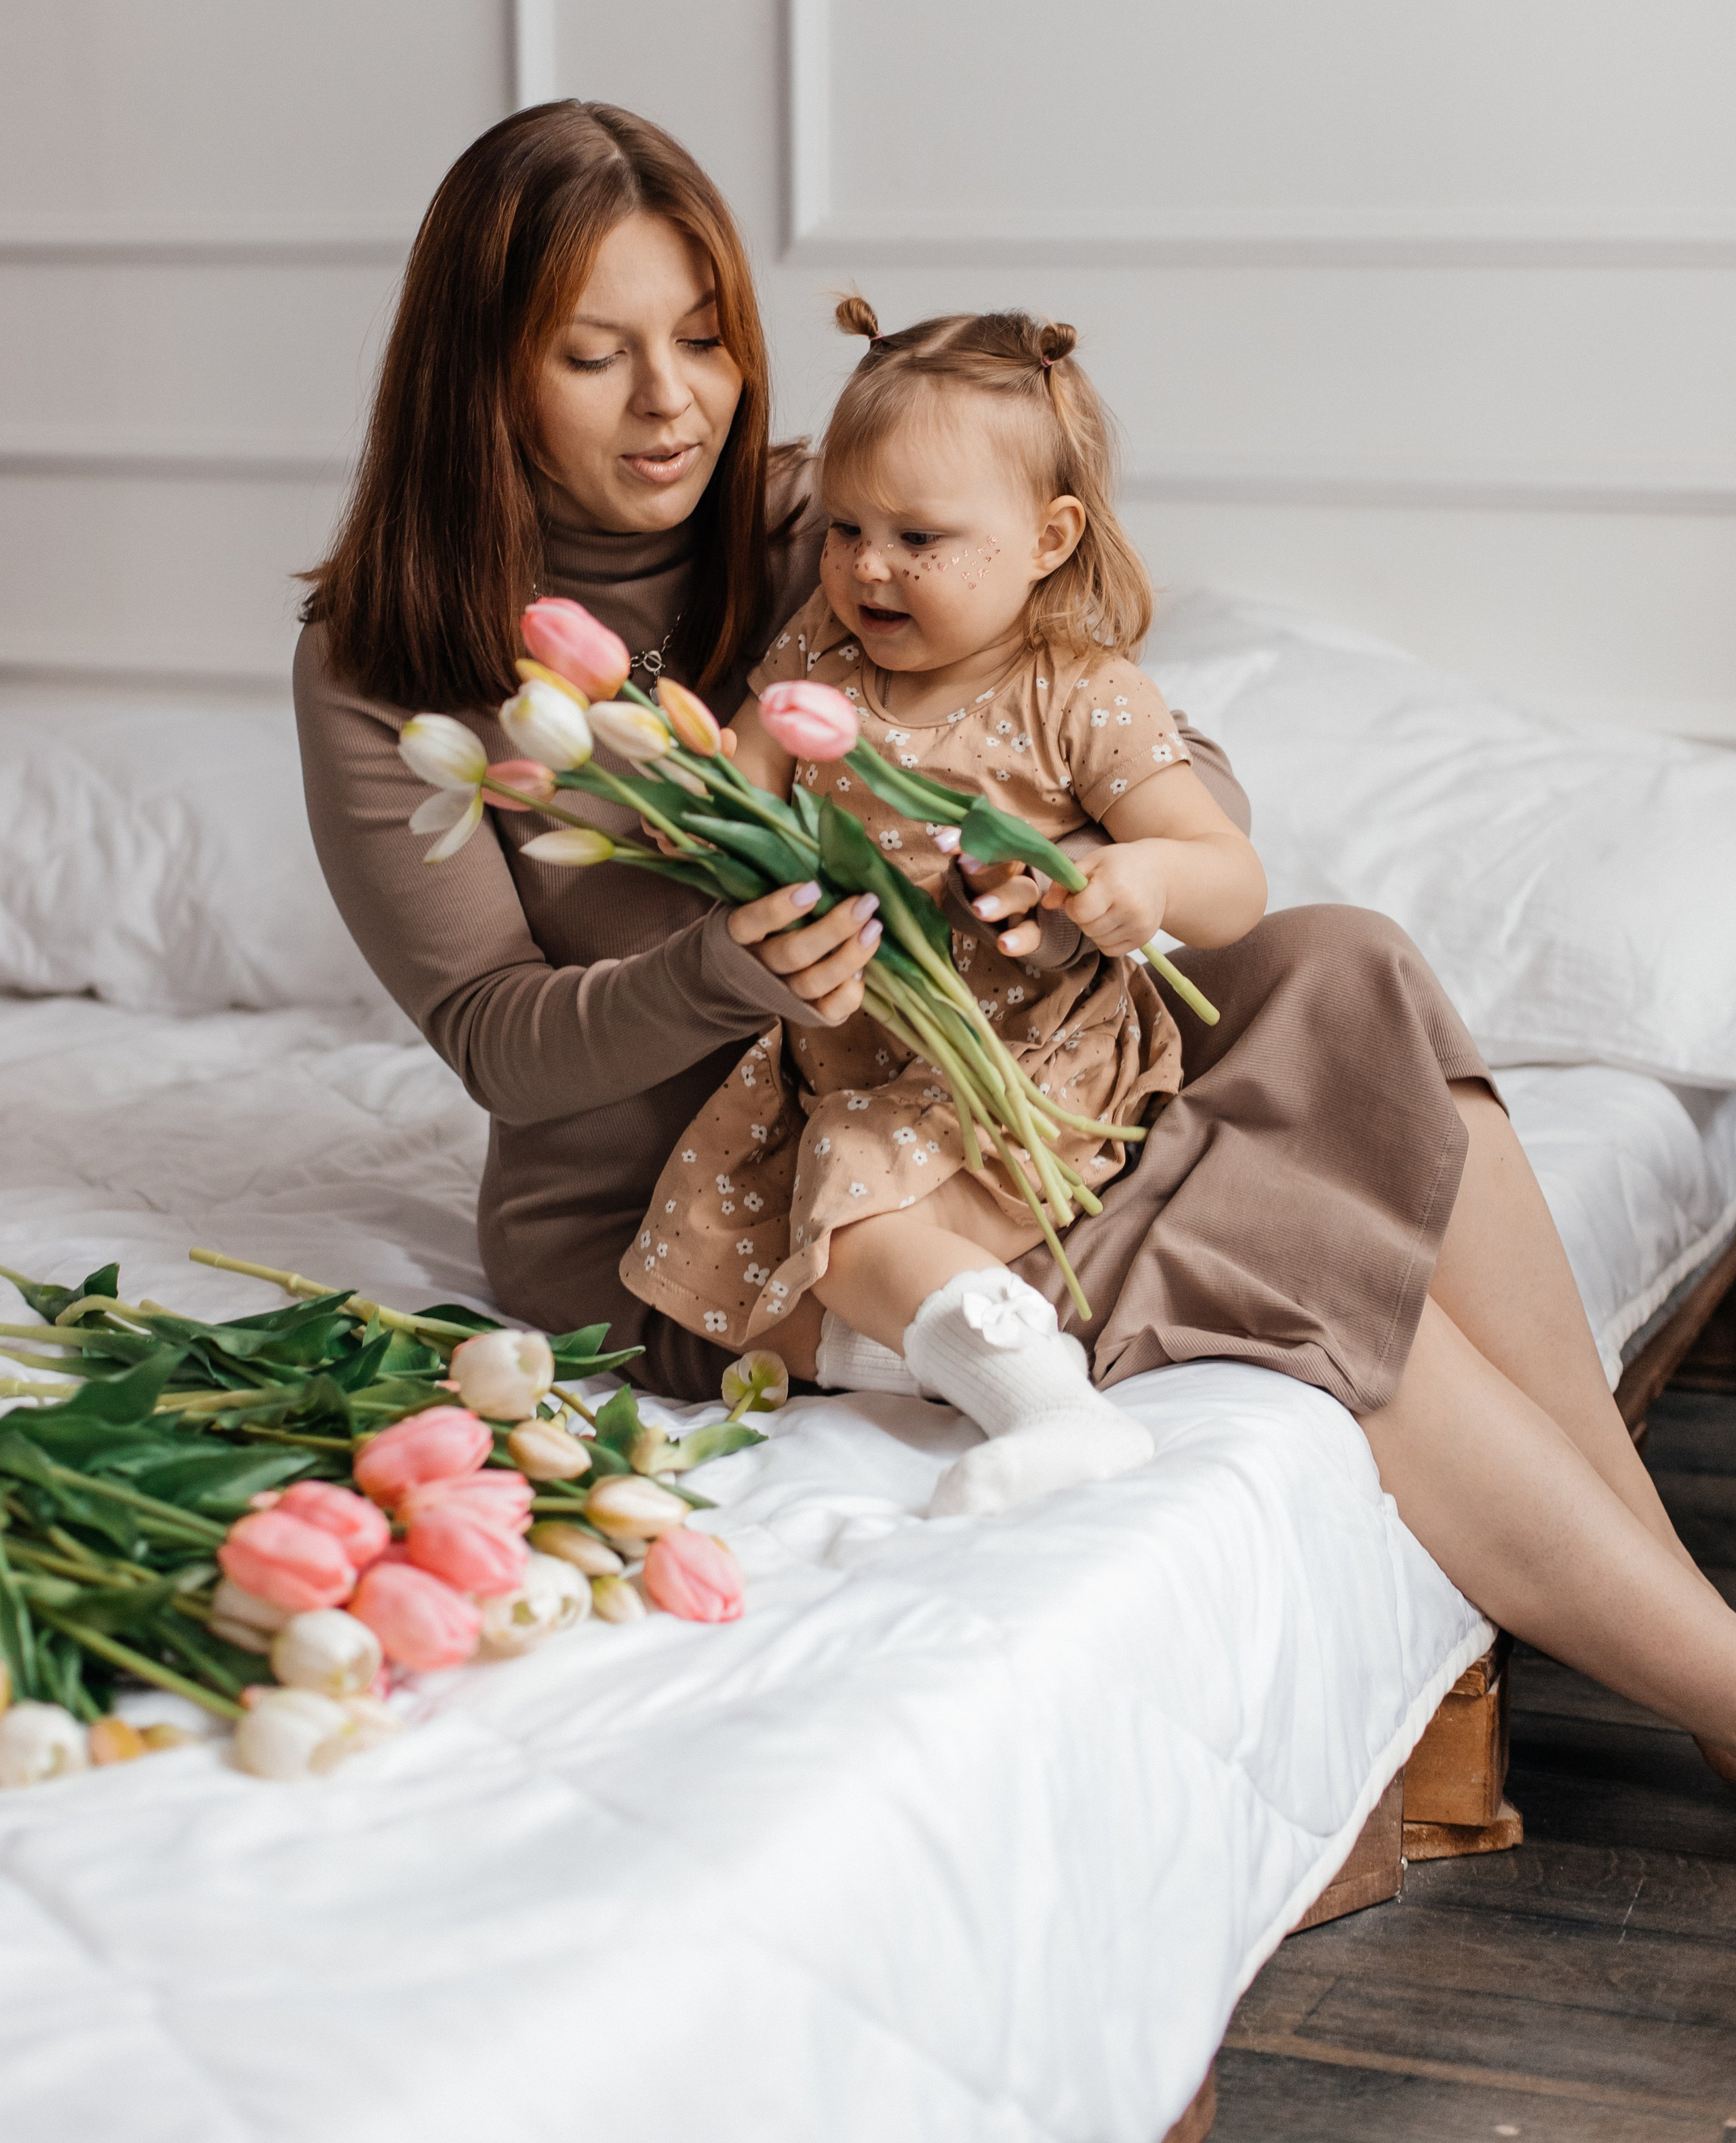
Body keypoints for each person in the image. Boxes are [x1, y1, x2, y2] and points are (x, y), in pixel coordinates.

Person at [295, 100, 1736, 1775]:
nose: (673, 399)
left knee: (1345, 974)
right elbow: (488, 1033)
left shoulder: (825, 518)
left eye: (702, 336)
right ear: (481, 373)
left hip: (988, 1065)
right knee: (1302, 1252)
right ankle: (1717, 1688)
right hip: (707, 1199)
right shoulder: (384, 655)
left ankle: (1657, 1589)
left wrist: (1063, 847)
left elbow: (1110, 717)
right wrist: (716, 972)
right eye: (593, 356)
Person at [624, 299, 1267, 1516]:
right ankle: (985, 1354)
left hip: (1021, 1061)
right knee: (746, 1303)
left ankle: (1058, 1413)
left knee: (854, 1229)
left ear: (1047, 536)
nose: (869, 566)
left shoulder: (1080, 697)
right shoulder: (824, 659)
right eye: (846, 529)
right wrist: (680, 784)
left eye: (919, 537)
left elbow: (1231, 878)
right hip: (851, 1059)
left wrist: (1144, 880)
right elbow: (743, 783)